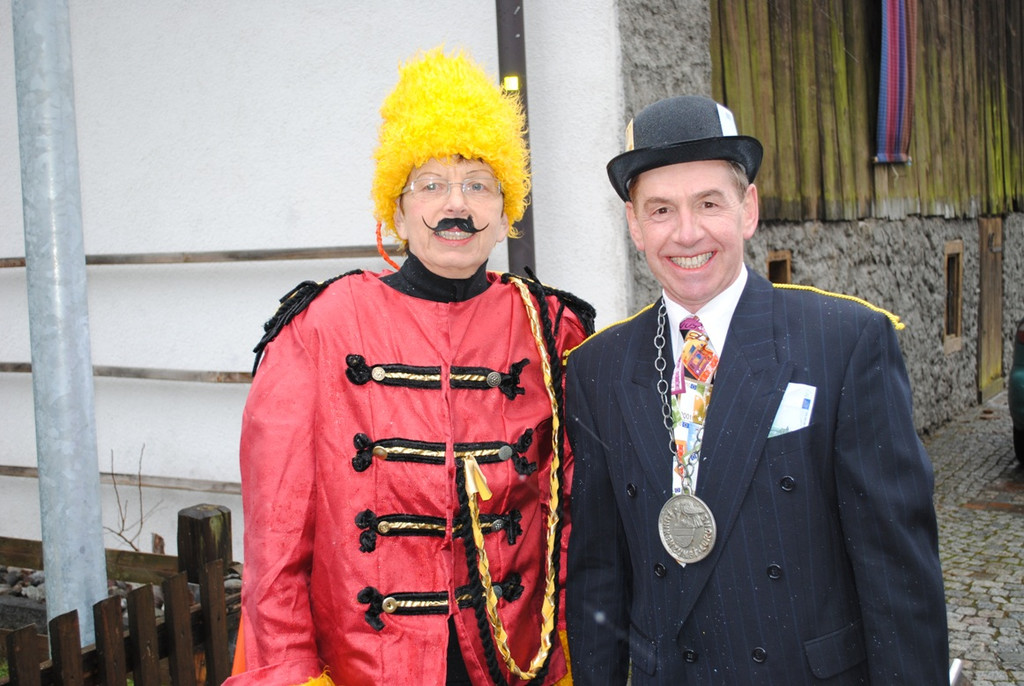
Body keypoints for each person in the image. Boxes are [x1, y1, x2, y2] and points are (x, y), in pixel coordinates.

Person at [227, 48, 593, 686]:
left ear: (506, 211)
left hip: (517, 664)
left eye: (478, 184)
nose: (457, 205)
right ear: (396, 212)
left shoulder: (551, 328)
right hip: (365, 668)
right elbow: (276, 541)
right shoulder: (317, 329)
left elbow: (576, 522)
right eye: (431, 184)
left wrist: (571, 650)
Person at [564, 95, 948, 684]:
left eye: (709, 203)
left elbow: (897, 573)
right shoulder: (597, 368)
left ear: (748, 209)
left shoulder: (845, 343)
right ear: (634, 226)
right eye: (661, 210)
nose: (686, 232)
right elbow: (598, 574)